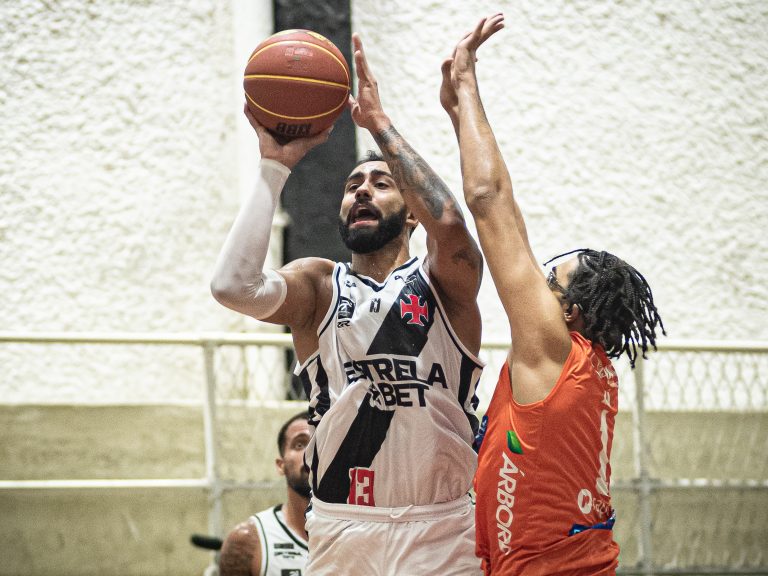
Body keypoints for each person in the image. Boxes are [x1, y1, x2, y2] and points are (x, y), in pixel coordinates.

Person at [211, 32, 485, 575]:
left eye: (381, 183)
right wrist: (273, 166)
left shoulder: (443, 281)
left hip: (443, 523)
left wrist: (379, 125)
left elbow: (452, 224)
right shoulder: (318, 285)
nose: (361, 190)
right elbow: (231, 287)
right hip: (343, 522)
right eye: (352, 185)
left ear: (413, 213)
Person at [440, 14, 666, 575]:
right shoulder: (585, 364)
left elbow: (487, 200)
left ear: (570, 311)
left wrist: (467, 83)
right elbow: (510, 217)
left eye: (548, 282)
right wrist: (460, 115)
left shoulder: (555, 353)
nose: (533, 283)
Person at [218, 412, 311, 576]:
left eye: (321, 442)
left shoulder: (357, 532)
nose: (312, 452)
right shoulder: (248, 541)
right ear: (281, 465)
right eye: (299, 444)